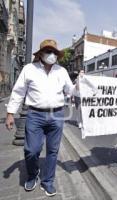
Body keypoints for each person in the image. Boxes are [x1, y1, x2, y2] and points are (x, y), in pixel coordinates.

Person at [5, 39, 77, 197]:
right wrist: (10, 113)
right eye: (48, 52)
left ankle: (48, 181)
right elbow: (18, 92)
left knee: (52, 150)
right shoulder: (29, 69)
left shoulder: (61, 71)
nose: (52, 55)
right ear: (41, 54)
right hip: (35, 114)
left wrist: (79, 83)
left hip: (56, 114)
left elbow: (70, 91)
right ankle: (32, 175)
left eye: (54, 52)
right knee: (31, 150)